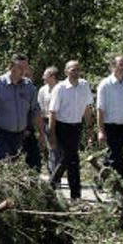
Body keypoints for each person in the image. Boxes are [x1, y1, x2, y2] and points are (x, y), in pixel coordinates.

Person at [0, 53, 46, 161]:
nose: (23, 71)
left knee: (13, 165)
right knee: (2, 163)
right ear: (11, 67)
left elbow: (35, 111)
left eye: (25, 68)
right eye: (20, 67)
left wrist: (42, 134)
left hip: (19, 135)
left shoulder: (29, 87)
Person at [48, 60, 94, 199]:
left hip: (76, 126)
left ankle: (75, 195)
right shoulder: (60, 88)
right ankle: (51, 186)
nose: (76, 72)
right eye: (73, 70)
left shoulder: (84, 85)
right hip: (62, 126)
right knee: (68, 157)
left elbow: (87, 108)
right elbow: (52, 112)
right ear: (66, 71)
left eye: (78, 69)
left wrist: (90, 129)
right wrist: (51, 133)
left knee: (72, 159)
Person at [96, 55, 123, 178]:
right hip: (109, 126)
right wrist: (100, 131)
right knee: (117, 156)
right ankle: (121, 184)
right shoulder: (105, 84)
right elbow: (100, 109)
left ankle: (102, 180)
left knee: (113, 154)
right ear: (112, 66)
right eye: (120, 64)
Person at [39, 66, 61, 174]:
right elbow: (40, 108)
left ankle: (59, 172)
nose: (43, 77)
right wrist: (41, 126)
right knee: (52, 149)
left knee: (61, 150)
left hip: (62, 122)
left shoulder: (62, 87)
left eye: (45, 75)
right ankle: (54, 176)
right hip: (48, 121)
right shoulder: (43, 90)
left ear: (52, 76)